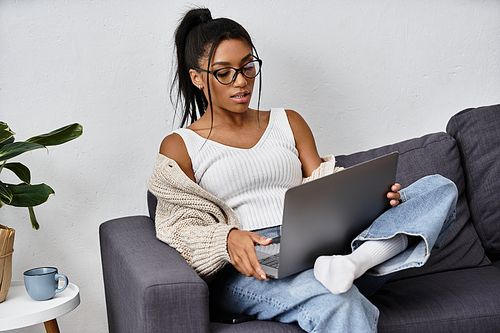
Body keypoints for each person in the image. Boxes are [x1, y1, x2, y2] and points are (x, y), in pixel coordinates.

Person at [148, 7, 458, 332]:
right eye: (224, 72)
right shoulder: (180, 146)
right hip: (254, 258)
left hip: (320, 245)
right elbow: (177, 227)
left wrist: (371, 200)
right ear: (197, 77)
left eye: (248, 67)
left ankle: (352, 263)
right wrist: (227, 239)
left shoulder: (288, 121)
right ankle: (346, 268)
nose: (241, 81)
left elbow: (321, 182)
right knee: (338, 301)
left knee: (438, 187)